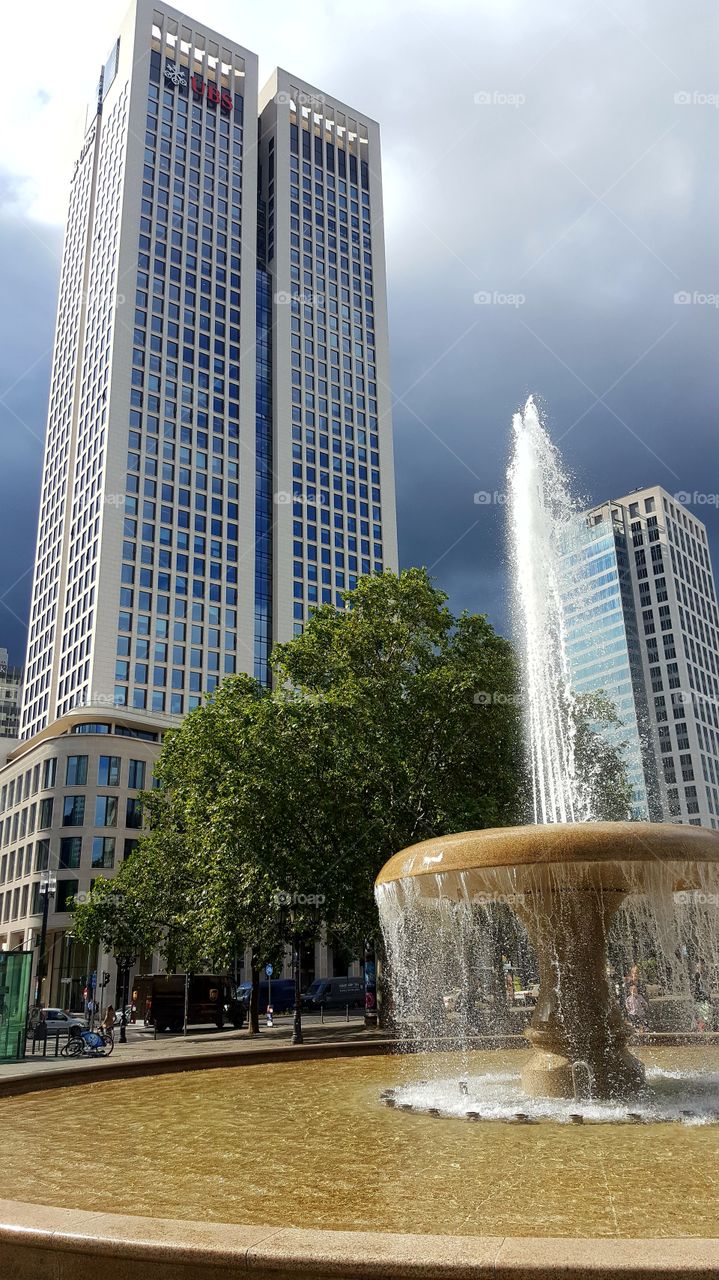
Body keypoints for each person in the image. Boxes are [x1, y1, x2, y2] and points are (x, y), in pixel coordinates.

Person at [692, 960, 712, 1032]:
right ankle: (700, 1029)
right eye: (698, 965)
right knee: (701, 1016)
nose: (699, 967)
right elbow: (696, 988)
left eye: (700, 965)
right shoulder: (697, 975)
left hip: (704, 999)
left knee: (704, 1016)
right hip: (700, 999)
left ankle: (702, 1029)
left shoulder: (705, 975)